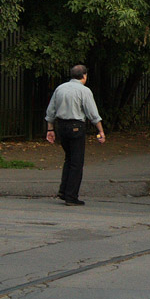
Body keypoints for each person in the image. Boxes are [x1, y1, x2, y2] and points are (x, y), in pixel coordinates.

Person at [45, 64, 106, 206]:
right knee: (77, 162)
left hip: (61, 126)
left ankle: (63, 190)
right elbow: (93, 114)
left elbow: (51, 110)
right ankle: (71, 196)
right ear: (84, 76)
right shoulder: (84, 91)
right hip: (76, 127)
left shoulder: (60, 88)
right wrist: (100, 131)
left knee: (69, 158)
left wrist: (50, 129)